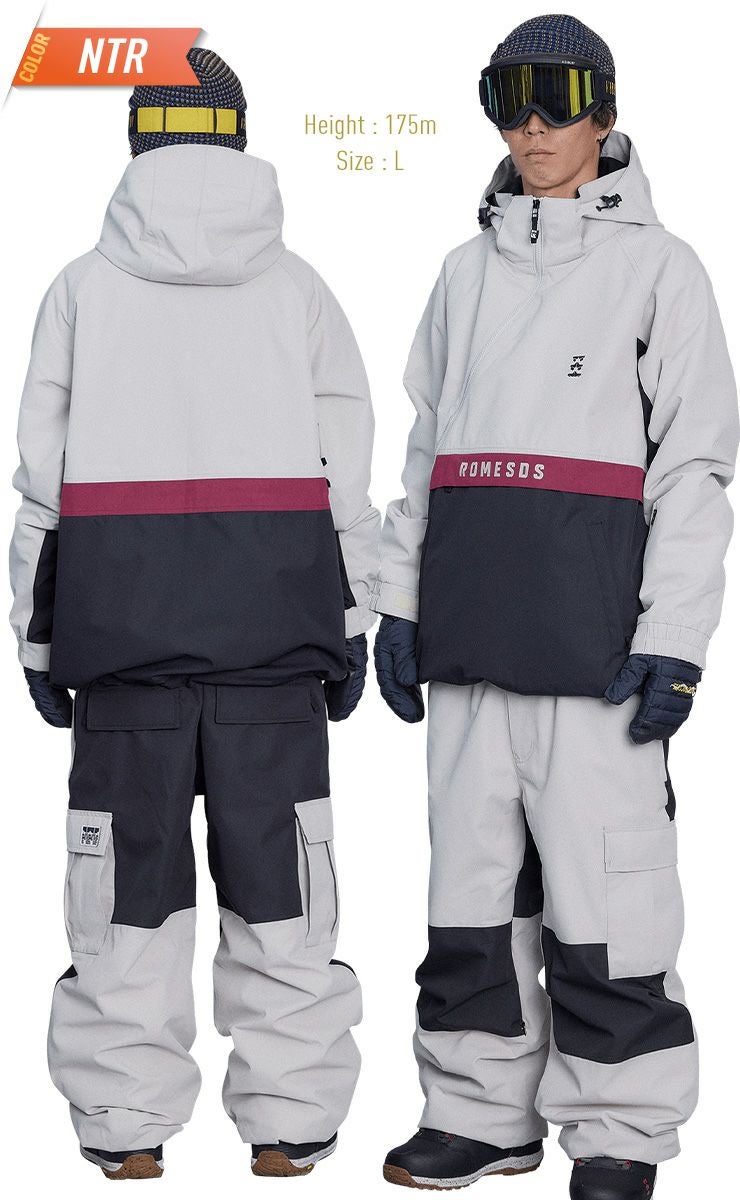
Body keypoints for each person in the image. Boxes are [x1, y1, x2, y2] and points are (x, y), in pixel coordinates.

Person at [372, 14, 737, 1199]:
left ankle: (618, 1128)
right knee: (468, 903)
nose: (530, 128)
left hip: (595, 656)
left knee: (605, 900)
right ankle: (479, 1114)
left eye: (556, 101)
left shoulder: (658, 270)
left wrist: (672, 639)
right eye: (508, 102)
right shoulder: (462, 273)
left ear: (603, 113)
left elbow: (693, 471)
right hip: (471, 647)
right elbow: (426, 453)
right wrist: (399, 603)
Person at [9, 47, 379, 1181]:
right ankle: (288, 1122)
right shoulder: (299, 290)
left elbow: (41, 487)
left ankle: (125, 1130)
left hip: (123, 654)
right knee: (283, 897)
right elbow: (344, 475)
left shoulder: (80, 289)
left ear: (138, 137)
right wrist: (354, 619)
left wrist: (37, 633)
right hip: (274, 653)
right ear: (238, 134)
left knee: (126, 903)